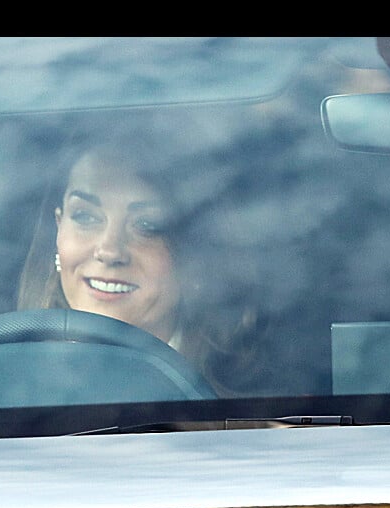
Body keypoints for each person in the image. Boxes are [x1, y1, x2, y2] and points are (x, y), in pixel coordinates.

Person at [16, 132, 265, 398]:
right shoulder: (3, 381)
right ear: (59, 228)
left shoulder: (264, 409)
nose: (109, 251)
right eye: (85, 216)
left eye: (147, 225)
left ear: (195, 252)